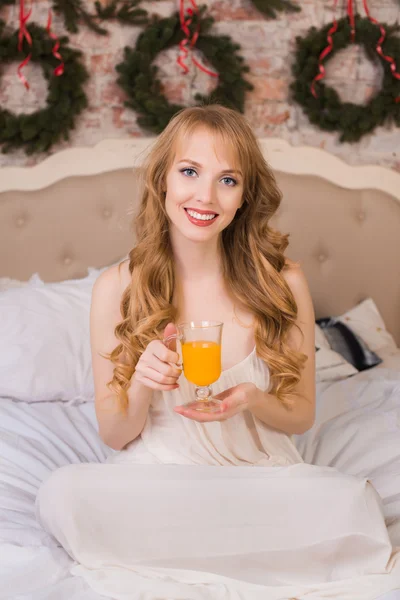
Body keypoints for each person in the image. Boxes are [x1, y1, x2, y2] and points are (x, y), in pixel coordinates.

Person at [35, 105, 398, 599]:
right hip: (161, 483)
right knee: (62, 494)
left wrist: (250, 397)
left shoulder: (283, 282)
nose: (205, 196)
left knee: (351, 503)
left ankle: (202, 548)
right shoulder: (116, 288)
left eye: (227, 180)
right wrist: (141, 382)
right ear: (162, 179)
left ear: (245, 195)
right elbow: (116, 435)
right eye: (189, 172)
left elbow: (300, 416)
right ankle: (244, 553)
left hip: (258, 481)